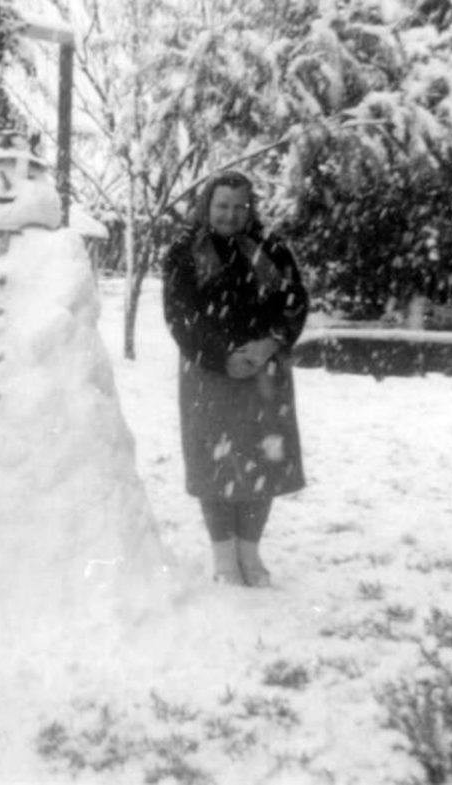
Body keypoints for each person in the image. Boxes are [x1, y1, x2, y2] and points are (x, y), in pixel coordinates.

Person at [161, 170, 307, 587]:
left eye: (239, 206)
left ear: (251, 208)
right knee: (217, 464)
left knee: (262, 462)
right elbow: (180, 315)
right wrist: (223, 357)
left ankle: (250, 552)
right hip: (209, 372)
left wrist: (268, 344)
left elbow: (295, 301)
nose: (230, 214)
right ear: (207, 205)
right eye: (222, 206)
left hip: (266, 369)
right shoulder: (183, 252)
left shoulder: (271, 248)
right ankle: (224, 557)